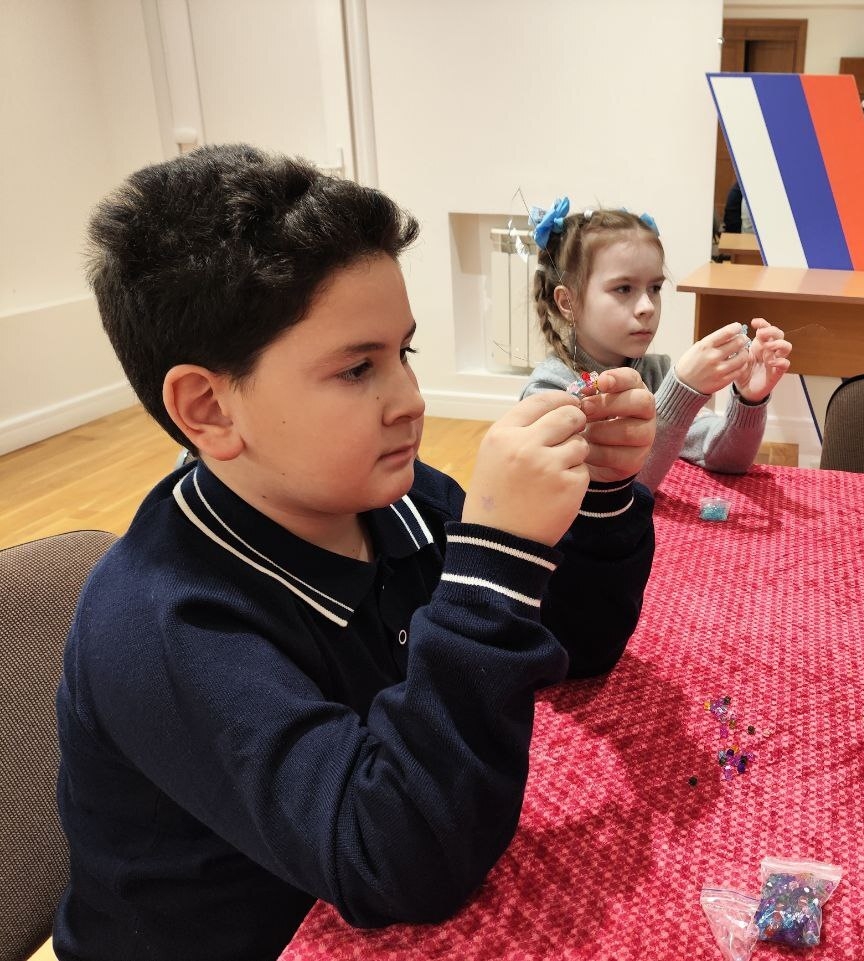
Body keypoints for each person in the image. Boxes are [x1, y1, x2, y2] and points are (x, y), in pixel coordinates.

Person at [57, 145, 658, 960]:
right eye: (356, 369)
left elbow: (580, 645)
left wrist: (604, 494)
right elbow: (400, 856)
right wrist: (495, 557)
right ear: (209, 408)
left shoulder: (402, 502)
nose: (411, 399)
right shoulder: (162, 622)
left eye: (403, 352)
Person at [520, 198, 792, 491]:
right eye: (624, 288)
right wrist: (681, 390)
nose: (647, 306)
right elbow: (613, 494)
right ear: (567, 302)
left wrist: (749, 400)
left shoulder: (654, 373)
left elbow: (727, 460)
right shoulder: (550, 390)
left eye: (655, 288)